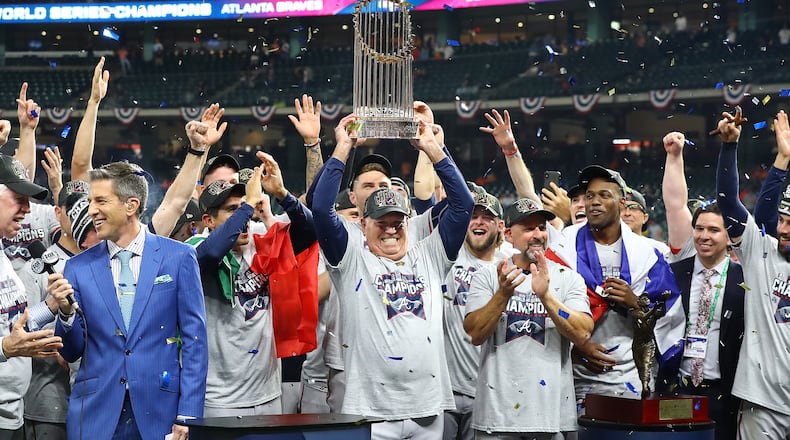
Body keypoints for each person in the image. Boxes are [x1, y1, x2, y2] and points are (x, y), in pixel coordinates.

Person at [312, 115, 473, 438]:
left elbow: (463, 205)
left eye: (397, 221)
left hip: (427, 406)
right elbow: (320, 208)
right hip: (372, 410)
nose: (391, 229)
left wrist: (433, 149)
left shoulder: (429, 254)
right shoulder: (351, 259)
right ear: (363, 223)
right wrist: (343, 147)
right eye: (381, 221)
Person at [50, 161, 208, 440]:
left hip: (160, 413)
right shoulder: (77, 268)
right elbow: (72, 351)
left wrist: (188, 414)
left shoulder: (178, 258)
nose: (91, 210)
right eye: (90, 201)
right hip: (95, 416)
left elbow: (196, 343)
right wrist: (65, 313)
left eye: (100, 201)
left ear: (131, 206)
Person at [187, 151, 316, 417]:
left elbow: (310, 232)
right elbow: (211, 254)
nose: (242, 218)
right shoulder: (194, 248)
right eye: (232, 210)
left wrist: (282, 194)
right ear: (209, 221)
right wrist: (247, 207)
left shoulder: (262, 241)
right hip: (218, 399)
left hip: (268, 394)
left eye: (243, 207)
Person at [546, 165, 682, 407]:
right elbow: (545, 308)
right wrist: (577, 345)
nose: (594, 202)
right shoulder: (562, 247)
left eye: (604, 195)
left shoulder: (648, 254)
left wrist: (635, 303)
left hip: (629, 377)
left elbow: (670, 318)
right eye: (589, 196)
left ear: (621, 205)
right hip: (572, 377)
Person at [464, 198, 592, 439]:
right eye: (529, 228)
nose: (537, 234)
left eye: (542, 228)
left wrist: (547, 298)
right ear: (510, 234)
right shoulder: (488, 276)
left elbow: (583, 332)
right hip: (497, 418)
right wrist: (502, 294)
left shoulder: (568, 278)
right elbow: (475, 333)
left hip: (552, 417)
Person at [659, 131, 745, 440]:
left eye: (713, 230)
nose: (704, 236)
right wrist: (674, 156)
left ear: (728, 236)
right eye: (699, 228)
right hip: (678, 386)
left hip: (726, 391)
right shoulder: (677, 271)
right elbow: (675, 205)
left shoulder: (744, 278)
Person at [715, 109, 790, 439]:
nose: (782, 229)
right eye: (783, 220)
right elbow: (729, 203)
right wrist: (731, 148)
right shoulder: (763, 253)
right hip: (763, 403)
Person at [0, 150, 63, 440]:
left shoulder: (3, 254)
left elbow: (14, 325)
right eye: (19, 199)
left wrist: (50, 306)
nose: (27, 209)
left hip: (13, 412)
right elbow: (8, 341)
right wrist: (5, 349)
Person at [442, 186, 511, 440]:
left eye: (487, 217)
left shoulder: (510, 265)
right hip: (445, 391)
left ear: (501, 225)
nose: (478, 222)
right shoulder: (446, 255)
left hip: (489, 393)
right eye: (473, 215)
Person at [623, 187, 670, 256]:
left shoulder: (659, 250)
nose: (627, 213)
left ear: (645, 218)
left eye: (633, 208)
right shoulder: (601, 251)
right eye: (621, 209)